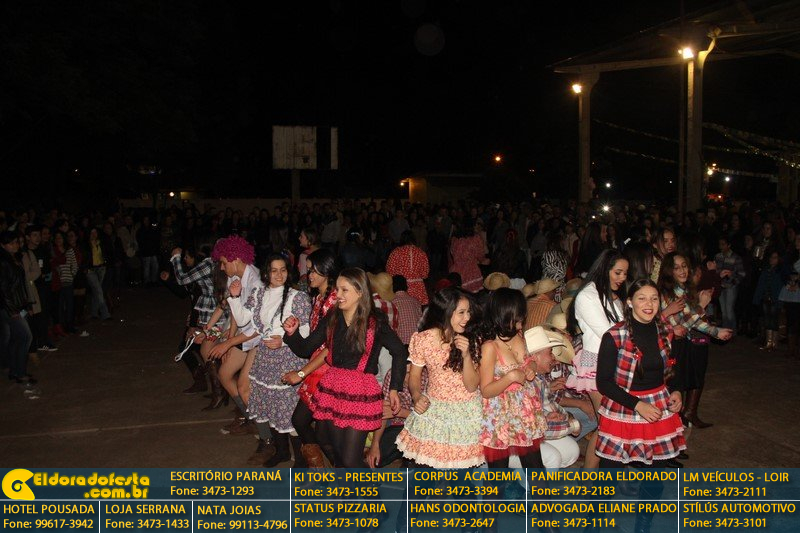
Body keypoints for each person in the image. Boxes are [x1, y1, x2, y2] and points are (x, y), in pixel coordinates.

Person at [283, 268, 408, 470]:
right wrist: (292, 333)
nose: (337, 295)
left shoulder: (375, 321)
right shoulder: (333, 318)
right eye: (337, 289)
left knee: (350, 458)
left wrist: (394, 388)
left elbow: (399, 352)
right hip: (333, 387)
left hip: (360, 390)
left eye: (344, 290)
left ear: (360, 292)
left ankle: (371, 489)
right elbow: (305, 348)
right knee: (328, 443)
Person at [595, 279, 686, 533]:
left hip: (658, 407)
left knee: (656, 476)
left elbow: (671, 368)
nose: (649, 304)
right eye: (642, 298)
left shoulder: (665, 330)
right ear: (629, 302)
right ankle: (593, 525)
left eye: (654, 298)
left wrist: (676, 390)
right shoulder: (614, 336)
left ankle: (643, 525)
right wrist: (637, 405)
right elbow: (604, 382)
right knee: (608, 476)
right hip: (624, 407)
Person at [229, 254, 311, 467]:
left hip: (287, 359)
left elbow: (306, 331)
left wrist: (284, 341)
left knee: (288, 410)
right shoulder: (259, 293)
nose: (279, 275)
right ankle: (281, 451)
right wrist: (235, 297)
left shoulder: (297, 297)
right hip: (265, 359)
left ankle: (300, 460)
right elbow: (243, 320)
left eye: (283, 270)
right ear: (267, 273)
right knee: (270, 406)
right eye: (274, 270)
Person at [396, 286, 484, 468]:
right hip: (434, 410)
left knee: (460, 476)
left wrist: (467, 355)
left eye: (468, 312)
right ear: (446, 312)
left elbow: (472, 386)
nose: (467, 318)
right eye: (461, 313)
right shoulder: (423, 339)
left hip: (466, 414)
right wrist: (416, 396)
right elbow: (414, 377)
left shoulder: (472, 338)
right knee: (428, 471)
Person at [566, 249, 628, 468]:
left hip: (614, 361)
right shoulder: (588, 295)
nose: (622, 278)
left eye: (625, 273)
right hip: (596, 363)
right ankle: (589, 477)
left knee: (610, 425)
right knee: (607, 425)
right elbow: (608, 333)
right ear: (604, 269)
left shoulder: (610, 295)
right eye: (618, 272)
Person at [658, 252, 732, 429]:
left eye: (684, 266)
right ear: (669, 271)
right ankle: (669, 429)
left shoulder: (683, 290)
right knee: (672, 385)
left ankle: (678, 425)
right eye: (676, 267)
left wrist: (716, 332)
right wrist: (702, 306)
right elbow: (682, 325)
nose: (682, 270)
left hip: (682, 344)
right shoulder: (667, 293)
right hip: (671, 346)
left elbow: (693, 321)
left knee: (680, 384)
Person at [282, 248, 339, 468]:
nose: (309, 275)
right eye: (308, 270)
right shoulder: (319, 297)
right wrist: (293, 333)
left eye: (314, 271)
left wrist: (300, 373)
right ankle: (323, 470)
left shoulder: (334, 303)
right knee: (305, 423)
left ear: (327, 271)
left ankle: (345, 473)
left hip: (329, 370)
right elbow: (309, 346)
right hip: (318, 364)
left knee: (319, 432)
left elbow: (315, 348)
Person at [0, 231, 36, 396]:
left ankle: (15, 370)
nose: (15, 245)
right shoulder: (3, 261)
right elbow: (3, 289)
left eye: (16, 242)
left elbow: (20, 285)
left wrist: (26, 304)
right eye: (11, 243)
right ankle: (19, 372)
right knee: (26, 336)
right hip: (8, 307)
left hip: (17, 304)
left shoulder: (15, 258)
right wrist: (12, 309)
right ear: (3, 245)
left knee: (18, 338)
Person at [385, 230, 430, 305]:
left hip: (401, 288)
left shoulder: (396, 252)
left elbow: (389, 271)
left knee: (401, 309)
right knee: (417, 310)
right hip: (418, 288)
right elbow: (425, 274)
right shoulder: (421, 252)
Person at [714, 236, 745, 331]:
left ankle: (732, 331)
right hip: (720, 286)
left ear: (729, 245)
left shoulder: (736, 258)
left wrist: (733, 280)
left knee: (729, 310)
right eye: (720, 244)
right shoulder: (718, 256)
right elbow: (715, 271)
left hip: (731, 287)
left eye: (723, 244)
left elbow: (742, 274)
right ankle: (726, 331)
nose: (721, 246)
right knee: (724, 311)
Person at [449, 218, 488, 293]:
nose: (477, 226)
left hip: (456, 272)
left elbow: (452, 253)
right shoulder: (476, 238)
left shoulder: (455, 239)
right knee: (471, 296)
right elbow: (481, 256)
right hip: (471, 272)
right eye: (475, 224)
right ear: (471, 226)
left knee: (458, 295)